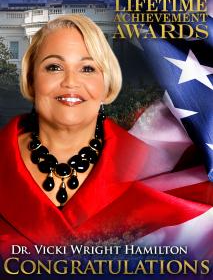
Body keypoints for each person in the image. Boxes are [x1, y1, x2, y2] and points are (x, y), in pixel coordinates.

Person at [0, 15, 212, 259]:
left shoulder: (152, 165)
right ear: (30, 78)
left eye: (88, 68)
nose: (71, 82)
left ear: (107, 83)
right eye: (54, 67)